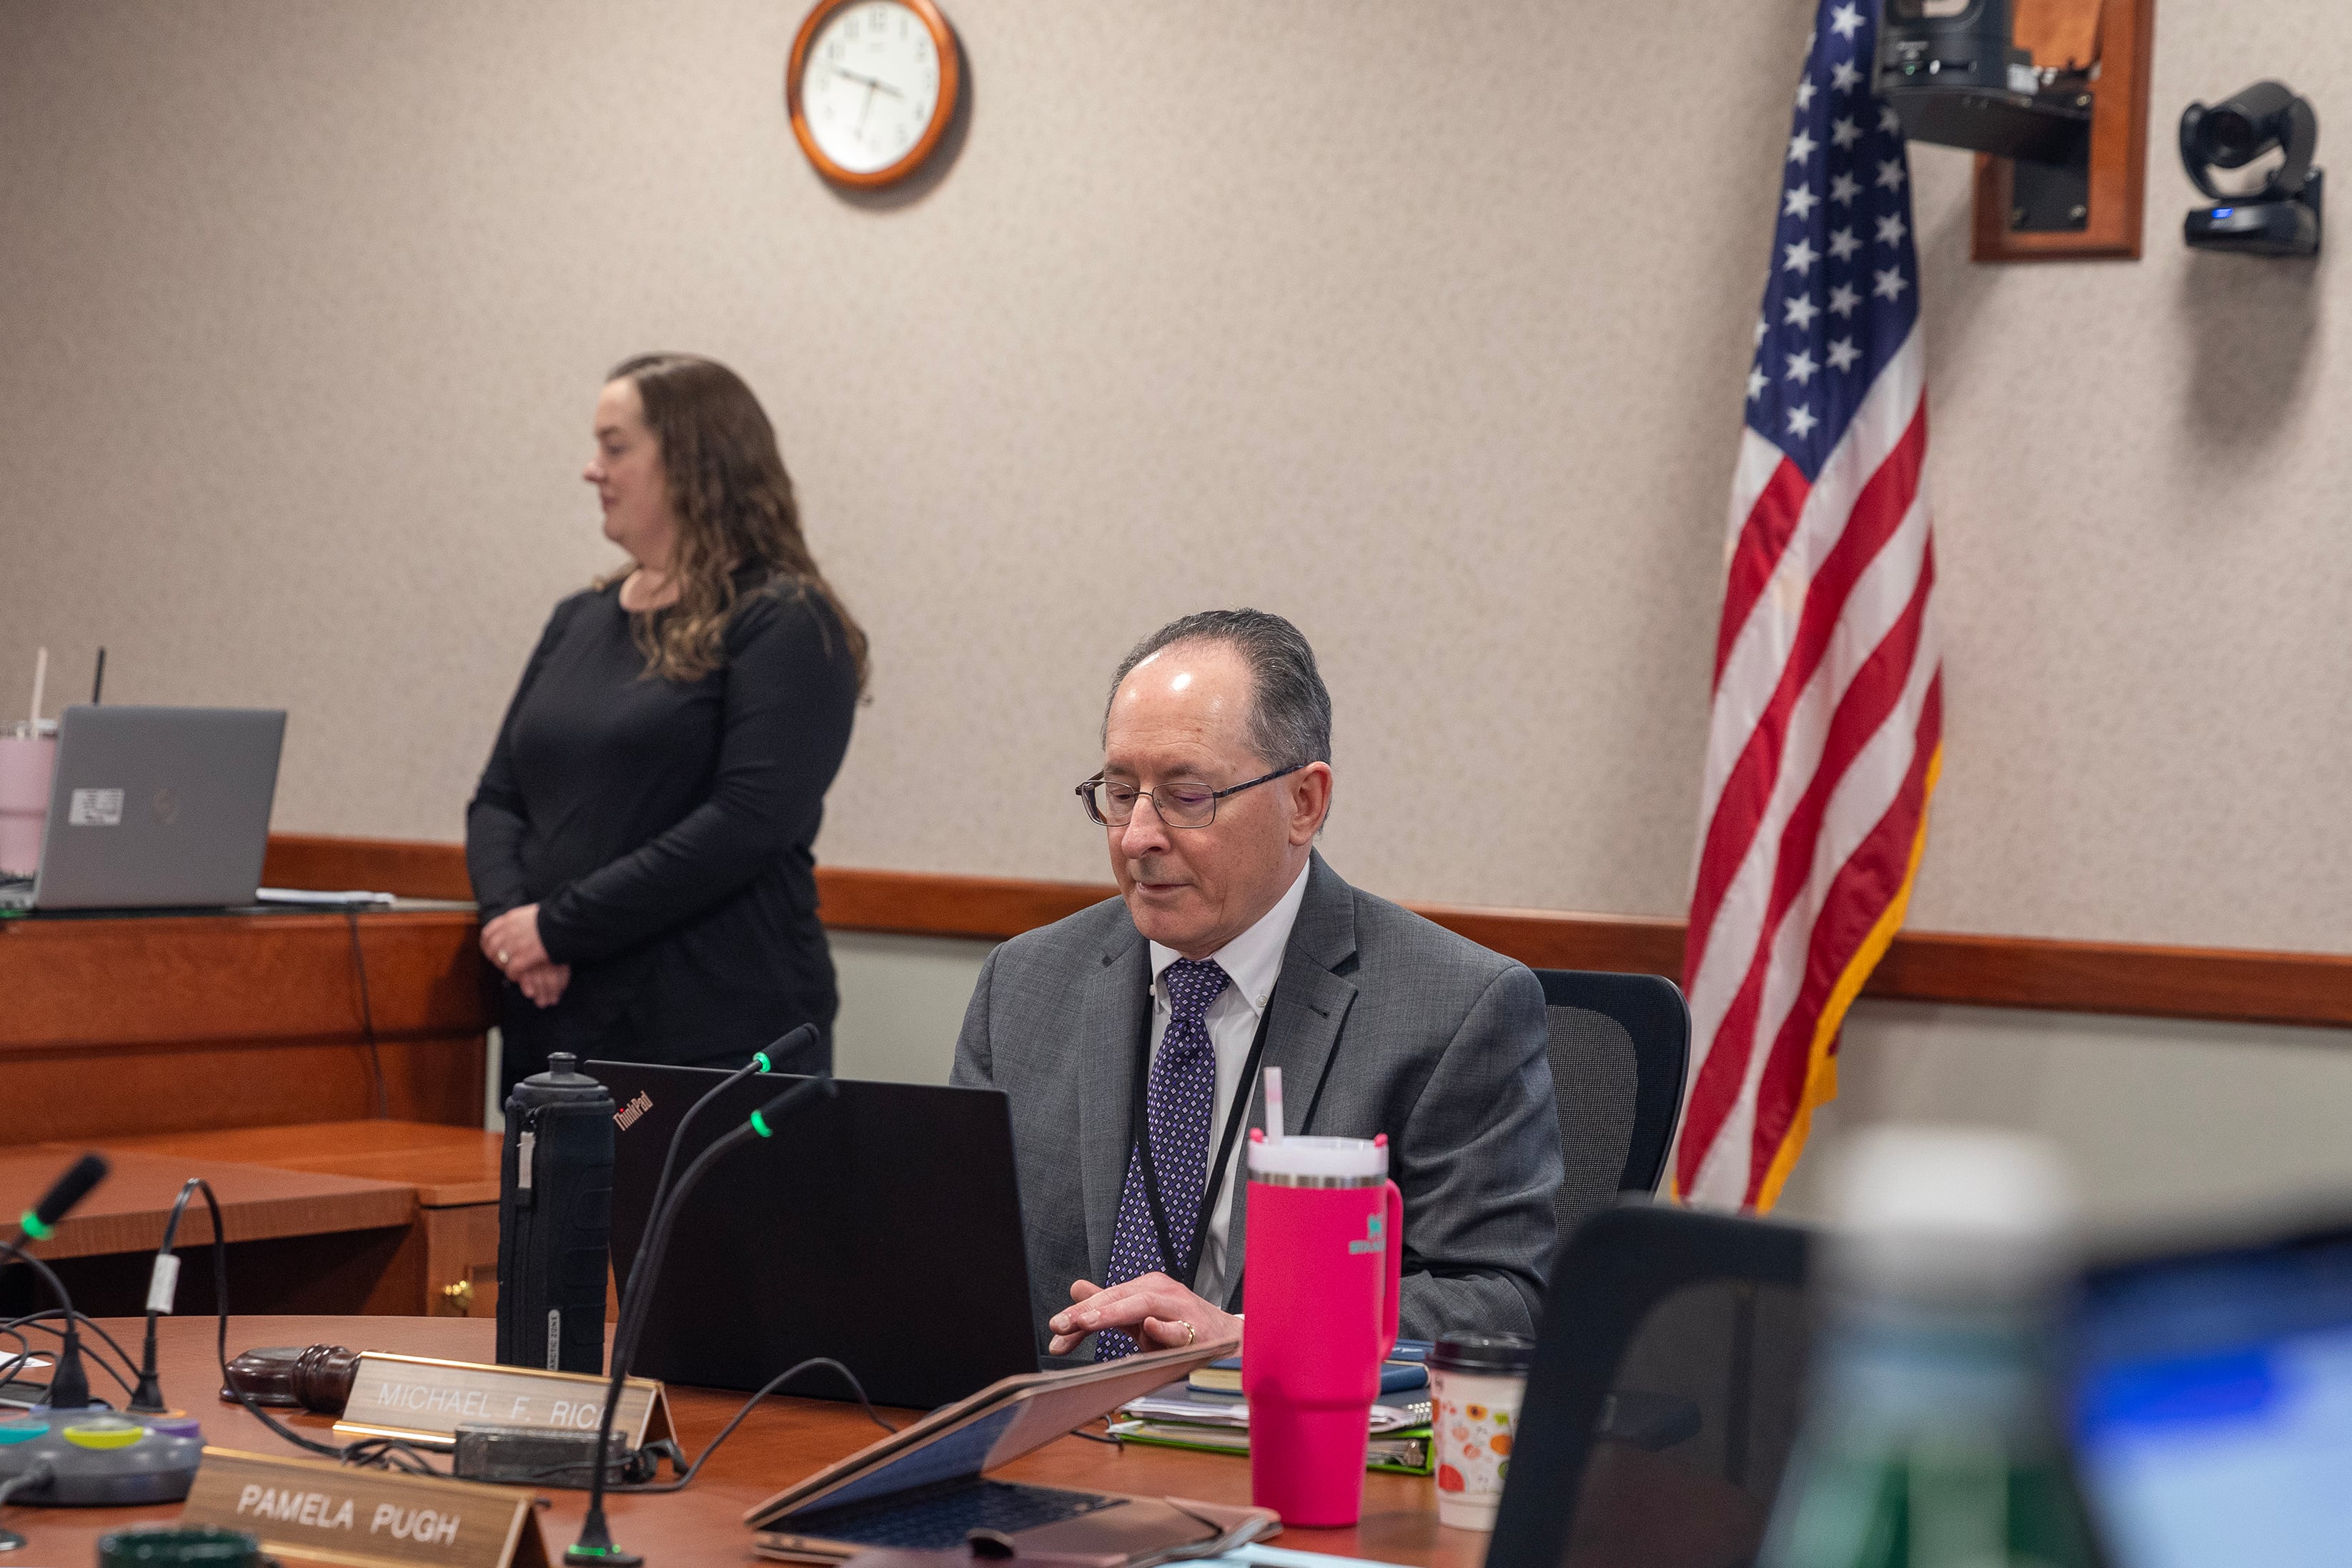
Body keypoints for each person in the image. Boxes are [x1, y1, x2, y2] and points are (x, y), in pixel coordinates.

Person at [953, 609, 1561, 1357]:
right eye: (1120, 792)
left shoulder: (1456, 1008)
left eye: (1187, 795)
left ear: (1303, 802)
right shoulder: (1023, 985)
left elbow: (1498, 1300)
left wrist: (1252, 1335)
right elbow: (952, 1253)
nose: (1139, 835)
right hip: (1052, 1436)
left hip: (1286, 1437)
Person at [467, 353, 865, 1092]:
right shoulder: (578, 618)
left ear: (694, 462)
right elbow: (498, 798)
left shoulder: (784, 621)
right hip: (552, 1014)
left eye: (615, 447)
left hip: (711, 1033)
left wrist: (555, 928)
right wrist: (512, 925)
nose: (593, 470)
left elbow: (747, 822)